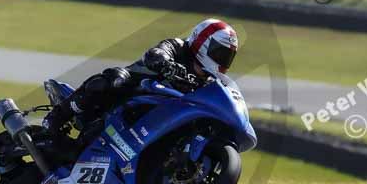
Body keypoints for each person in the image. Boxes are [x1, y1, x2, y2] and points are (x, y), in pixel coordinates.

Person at [42, 18, 239, 135]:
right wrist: (168, 65)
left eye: (227, 57)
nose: (222, 61)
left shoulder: (208, 82)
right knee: (115, 78)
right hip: (128, 94)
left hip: (152, 121)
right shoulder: (178, 46)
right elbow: (156, 54)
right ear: (202, 41)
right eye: (219, 53)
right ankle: (57, 115)